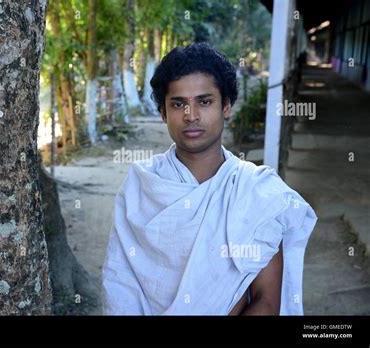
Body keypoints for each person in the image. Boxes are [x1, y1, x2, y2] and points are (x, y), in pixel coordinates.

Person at [102, 42, 317, 315]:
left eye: (204, 101)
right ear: (163, 113)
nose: (191, 116)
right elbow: (121, 286)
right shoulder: (141, 186)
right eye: (178, 104)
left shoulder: (257, 192)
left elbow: (267, 301)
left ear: (226, 106)